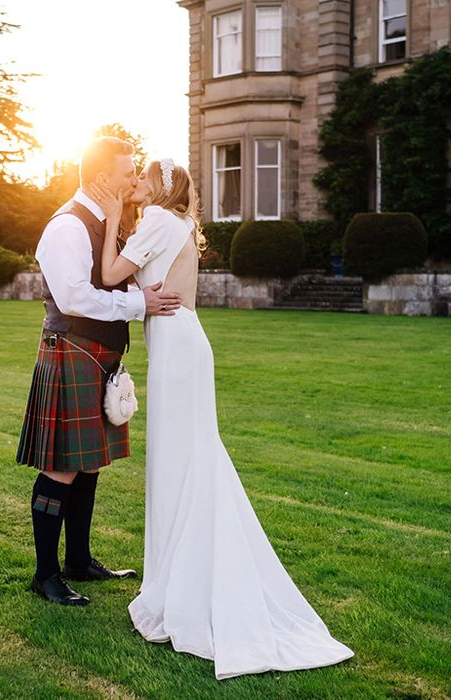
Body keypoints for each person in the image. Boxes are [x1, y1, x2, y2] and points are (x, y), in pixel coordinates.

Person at [90, 158, 355, 679]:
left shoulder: (160, 222)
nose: (136, 183)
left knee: (180, 463)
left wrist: (112, 215)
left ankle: (181, 588)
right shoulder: (175, 223)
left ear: (162, 189)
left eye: (143, 178)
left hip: (178, 349)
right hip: (180, 342)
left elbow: (108, 276)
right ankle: (177, 577)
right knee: (185, 461)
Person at [16, 138, 182, 606]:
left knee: (87, 464)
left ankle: (78, 562)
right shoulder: (67, 226)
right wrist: (138, 304)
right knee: (61, 467)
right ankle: (45, 575)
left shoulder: (107, 223)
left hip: (97, 353)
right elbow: (73, 298)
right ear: (101, 178)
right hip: (72, 348)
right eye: (128, 172)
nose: (134, 180)